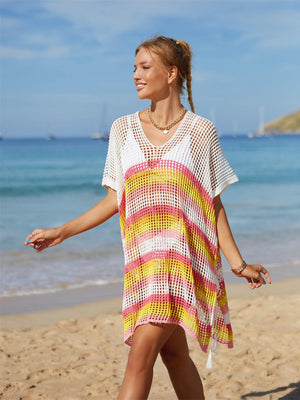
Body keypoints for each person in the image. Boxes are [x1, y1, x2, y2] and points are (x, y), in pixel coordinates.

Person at [25, 36, 271, 400]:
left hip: (181, 264)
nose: (136, 76)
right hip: (142, 266)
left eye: (145, 67)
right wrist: (62, 232)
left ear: (171, 73)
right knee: (174, 356)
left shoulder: (201, 132)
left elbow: (212, 204)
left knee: (139, 359)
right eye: (134, 68)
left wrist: (237, 264)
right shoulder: (123, 130)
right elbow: (114, 198)